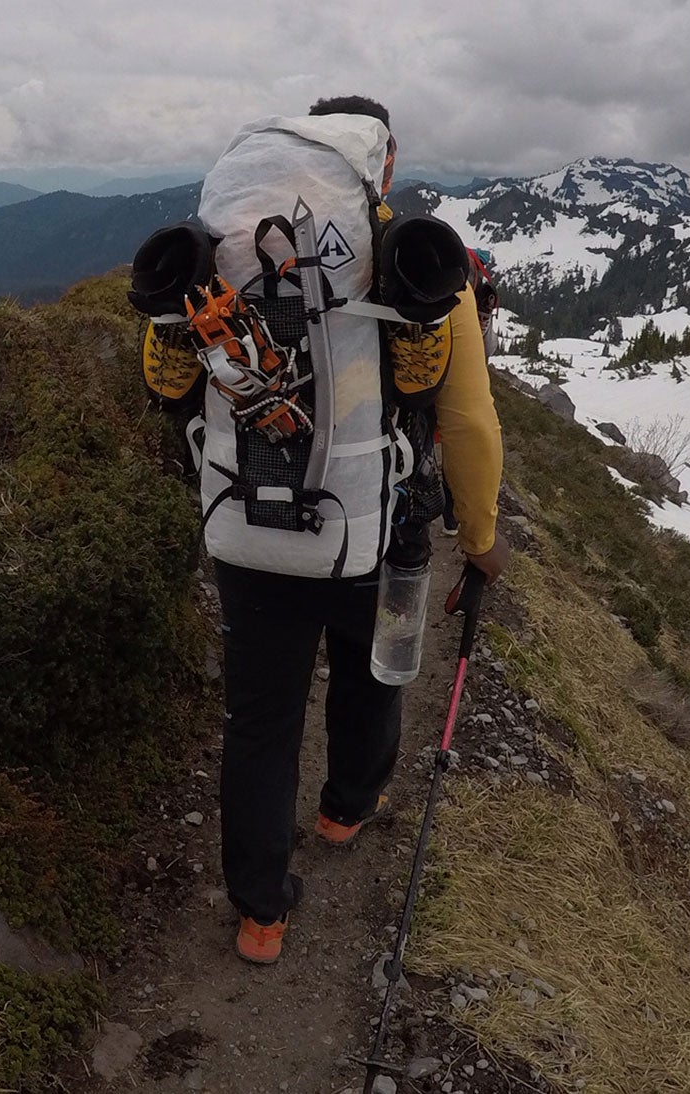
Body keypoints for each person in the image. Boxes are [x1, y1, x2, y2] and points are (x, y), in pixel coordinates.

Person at [216, 95, 510, 964]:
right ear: (381, 165)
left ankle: (261, 913)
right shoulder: (414, 265)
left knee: (261, 720)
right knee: (379, 672)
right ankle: (346, 807)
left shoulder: (233, 252)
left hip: (254, 529)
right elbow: (468, 420)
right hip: (389, 532)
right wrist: (484, 538)